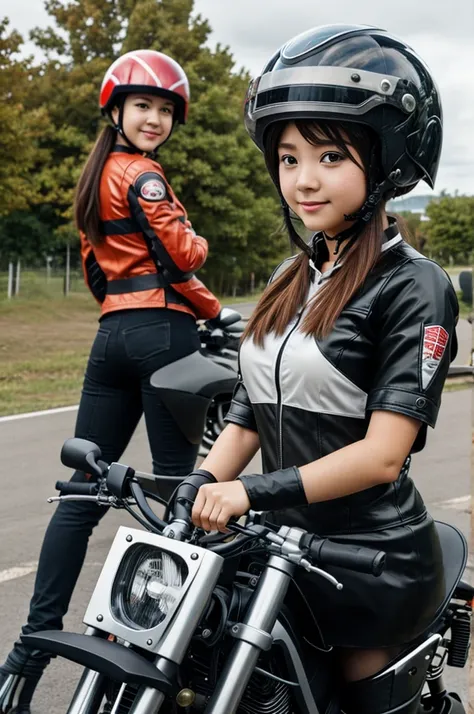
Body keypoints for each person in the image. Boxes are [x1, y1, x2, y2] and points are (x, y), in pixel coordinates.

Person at [179, 25, 459, 713]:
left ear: (388, 159)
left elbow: (383, 456)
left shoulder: (415, 286)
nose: (303, 179)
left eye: (330, 155)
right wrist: (202, 483)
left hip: (367, 561)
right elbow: (250, 407)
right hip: (276, 545)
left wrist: (250, 493)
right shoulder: (290, 276)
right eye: (288, 156)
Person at [0, 49, 225, 713]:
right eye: (144, 106)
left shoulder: (96, 178)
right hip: (165, 337)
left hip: (111, 338)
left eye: (164, 110)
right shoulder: (147, 177)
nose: (155, 118)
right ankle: (161, 656)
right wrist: (211, 300)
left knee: (81, 494)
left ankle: (29, 649)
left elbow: (97, 272)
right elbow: (182, 255)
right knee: (177, 493)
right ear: (118, 111)